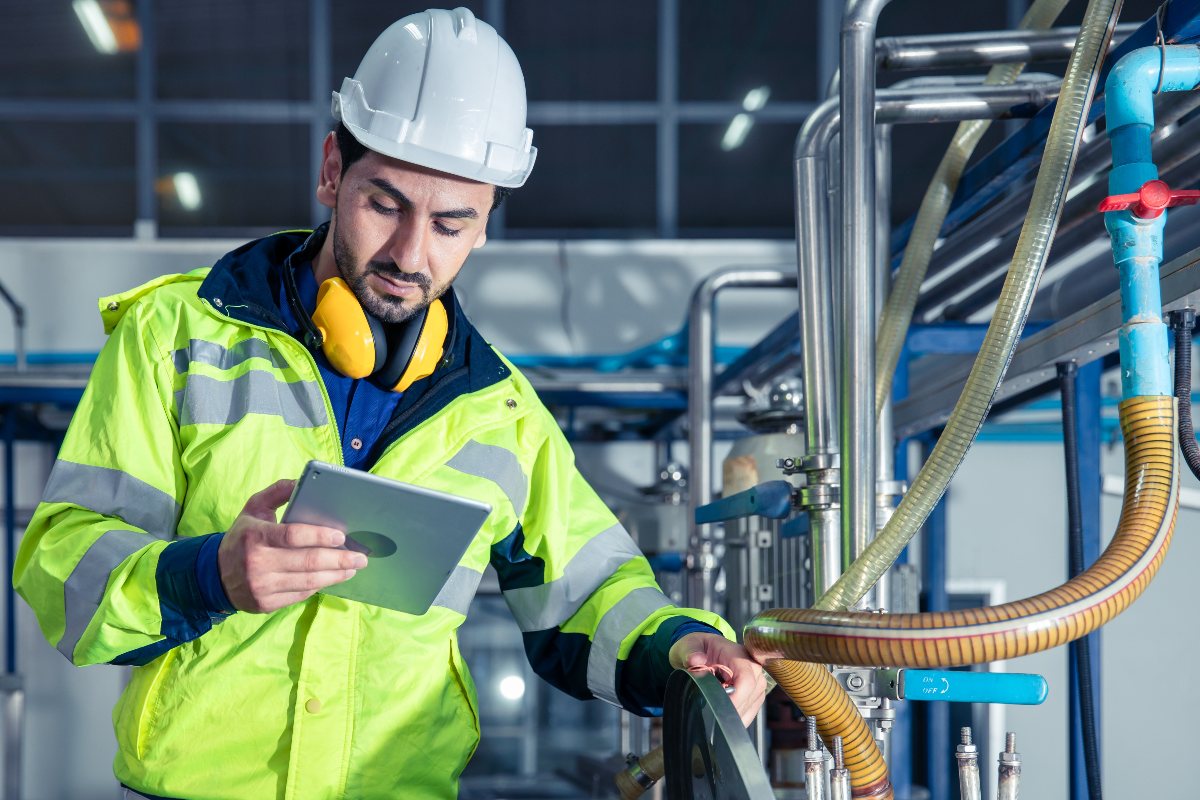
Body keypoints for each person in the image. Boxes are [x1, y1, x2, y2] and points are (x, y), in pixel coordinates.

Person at [15, 8, 765, 799]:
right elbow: (63, 568)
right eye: (386, 204)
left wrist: (682, 648)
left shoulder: (499, 410)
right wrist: (207, 576)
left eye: (451, 223)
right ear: (334, 171)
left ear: (484, 227)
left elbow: (592, 593)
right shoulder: (178, 338)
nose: (412, 254)